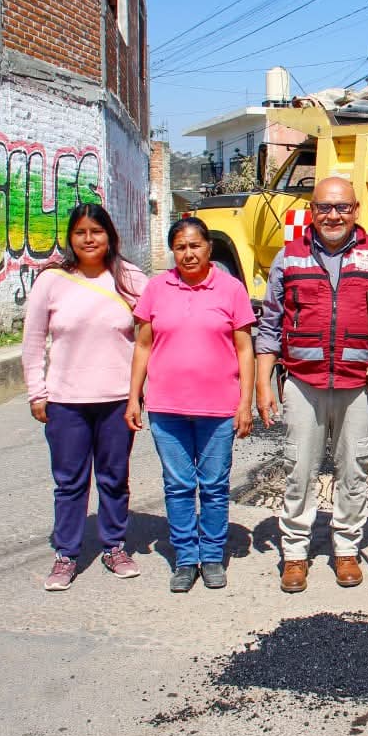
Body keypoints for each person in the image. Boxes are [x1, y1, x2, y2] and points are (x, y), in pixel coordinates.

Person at [255, 176, 368, 593]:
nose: (333, 215)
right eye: (325, 207)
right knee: (298, 469)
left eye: (342, 207)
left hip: (359, 383)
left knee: (354, 468)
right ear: (312, 210)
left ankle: (346, 548)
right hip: (303, 383)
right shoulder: (289, 257)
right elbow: (269, 325)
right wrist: (263, 383)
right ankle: (295, 554)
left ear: (356, 210)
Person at [125, 217, 255, 593]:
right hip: (167, 409)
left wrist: (244, 403)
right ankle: (185, 558)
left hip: (218, 409)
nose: (188, 253)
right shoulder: (156, 289)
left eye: (195, 245)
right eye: (180, 247)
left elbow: (245, 349)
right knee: (179, 485)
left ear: (208, 247)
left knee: (214, 486)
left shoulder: (230, 289)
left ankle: (212, 556)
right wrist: (134, 396)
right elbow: (143, 345)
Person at [23, 204, 148, 592]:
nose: (89, 239)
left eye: (97, 231)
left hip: (117, 400)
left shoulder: (131, 279)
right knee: (70, 482)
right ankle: (67, 554)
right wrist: (36, 392)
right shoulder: (52, 281)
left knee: (114, 478)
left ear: (110, 235)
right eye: (80, 232)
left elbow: (150, 338)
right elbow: (32, 341)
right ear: (70, 238)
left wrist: (142, 393)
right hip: (66, 401)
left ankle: (114, 545)